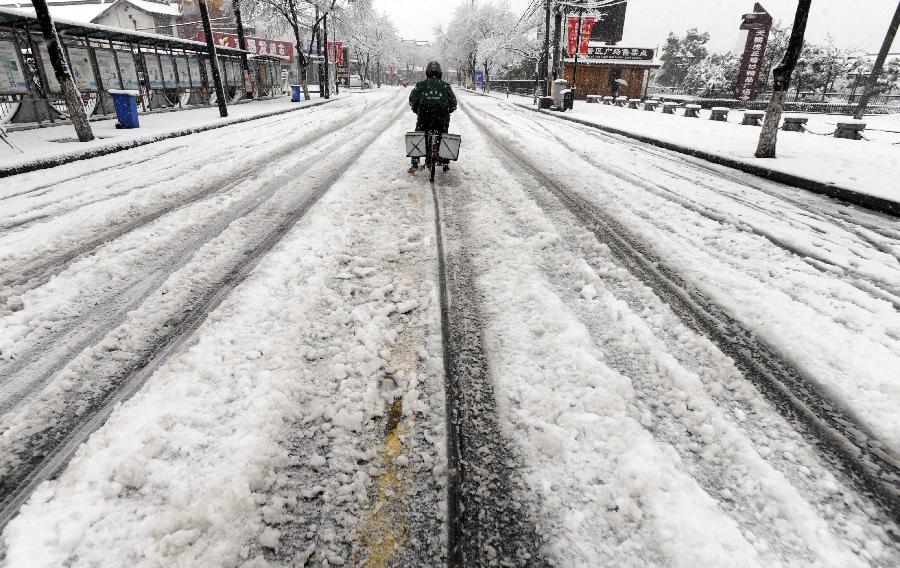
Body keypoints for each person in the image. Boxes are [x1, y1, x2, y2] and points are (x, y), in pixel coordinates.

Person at [408, 61, 457, 173]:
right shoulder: (446, 86)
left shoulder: (420, 85)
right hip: (442, 119)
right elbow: (454, 103)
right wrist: (447, 111)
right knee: (443, 135)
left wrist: (416, 109)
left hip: (424, 118)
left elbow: (411, 100)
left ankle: (415, 163)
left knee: (419, 134)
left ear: (427, 72)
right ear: (440, 73)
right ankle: (444, 162)